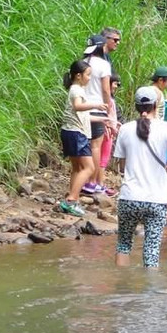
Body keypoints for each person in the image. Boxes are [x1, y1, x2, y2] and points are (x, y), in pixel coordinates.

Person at [113, 86, 167, 268]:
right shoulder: (165, 128)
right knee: (151, 251)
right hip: (157, 199)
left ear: (137, 106)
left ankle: (122, 289)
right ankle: (150, 296)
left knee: (123, 245)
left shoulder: (126, 129)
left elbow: (120, 165)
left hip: (129, 197)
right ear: (155, 105)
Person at [59, 59, 108, 217]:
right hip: (76, 133)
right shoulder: (77, 90)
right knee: (89, 168)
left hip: (70, 131)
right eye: (88, 75)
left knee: (77, 168)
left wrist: (103, 120)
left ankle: (72, 199)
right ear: (78, 76)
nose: (90, 78)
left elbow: (82, 114)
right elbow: (78, 106)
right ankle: (71, 200)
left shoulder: (76, 89)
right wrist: (96, 105)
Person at [83, 34, 117, 194]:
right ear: (102, 47)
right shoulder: (103, 64)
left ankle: (83, 179)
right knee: (96, 146)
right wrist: (109, 109)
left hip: (82, 109)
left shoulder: (83, 63)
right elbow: (105, 89)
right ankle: (92, 181)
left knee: (84, 146)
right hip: (98, 108)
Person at [99, 73, 122, 178]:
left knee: (102, 156)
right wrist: (111, 125)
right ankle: (98, 183)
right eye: (115, 84)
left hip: (107, 128)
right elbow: (107, 114)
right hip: (107, 130)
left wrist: (115, 123)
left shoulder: (106, 98)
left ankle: (97, 182)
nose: (116, 87)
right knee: (103, 157)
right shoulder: (107, 100)